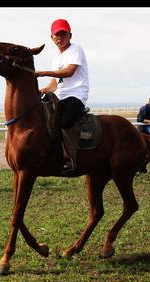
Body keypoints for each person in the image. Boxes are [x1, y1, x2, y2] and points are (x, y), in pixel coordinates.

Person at [36, 18, 89, 175]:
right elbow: (54, 85)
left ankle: (70, 158)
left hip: (76, 95)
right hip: (59, 96)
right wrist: (41, 91)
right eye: (56, 35)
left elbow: (68, 72)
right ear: (51, 38)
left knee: (64, 121)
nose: (60, 37)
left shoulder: (75, 50)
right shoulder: (56, 58)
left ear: (70, 35)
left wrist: (43, 72)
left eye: (63, 34)